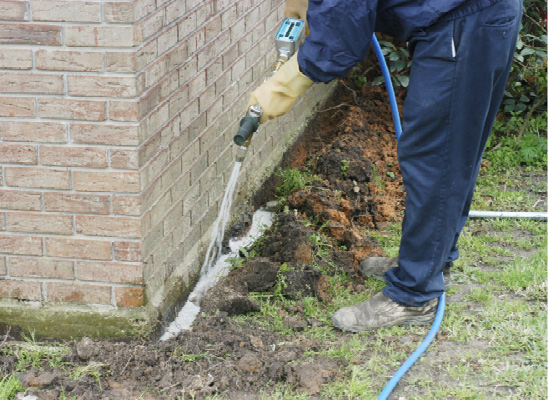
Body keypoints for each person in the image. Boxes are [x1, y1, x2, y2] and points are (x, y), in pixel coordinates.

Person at [247, 0, 523, 331]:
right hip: (471, 15)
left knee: (436, 157)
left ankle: (414, 294)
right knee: (451, 151)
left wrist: (286, 82)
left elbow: (342, 27)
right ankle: (430, 263)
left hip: (464, 22)